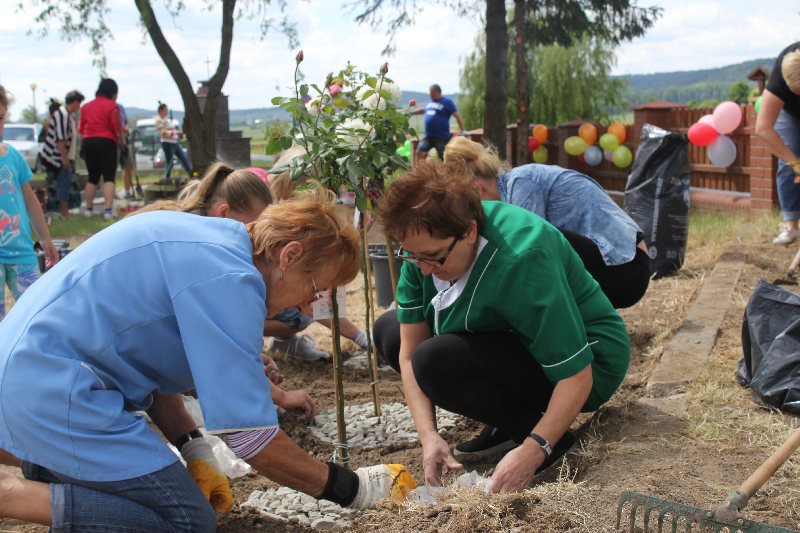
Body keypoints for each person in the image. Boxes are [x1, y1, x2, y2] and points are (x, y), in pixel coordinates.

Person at [0, 192, 416, 530]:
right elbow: (250, 438)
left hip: (34, 373)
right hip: (55, 389)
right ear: (289, 255)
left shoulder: (217, 245)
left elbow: (152, 366)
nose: (311, 306)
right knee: (186, 520)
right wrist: (351, 488)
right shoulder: (230, 281)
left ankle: (56, 486)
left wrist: (193, 447)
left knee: (138, 507)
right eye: (316, 288)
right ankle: (11, 495)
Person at [373, 161, 630, 493]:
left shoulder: (522, 256)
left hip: (590, 362)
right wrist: (429, 436)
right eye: (412, 256)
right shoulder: (423, 246)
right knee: (389, 331)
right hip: (514, 345)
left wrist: (534, 449)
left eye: (433, 257)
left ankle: (547, 440)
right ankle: (507, 421)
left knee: (435, 360)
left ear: (469, 232)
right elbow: (407, 354)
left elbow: (577, 376)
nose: (422, 269)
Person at [444, 136, 650, 309]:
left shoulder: (522, 183)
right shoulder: (515, 185)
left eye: (470, 204)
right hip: (613, 266)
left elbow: (530, 256)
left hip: (626, 269)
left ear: (478, 189)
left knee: (530, 241)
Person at [265, 146, 371, 360]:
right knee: (299, 312)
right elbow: (317, 304)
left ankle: (283, 340)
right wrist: (359, 337)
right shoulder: (274, 229)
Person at [0, 84, 59, 320]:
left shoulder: (12, 156)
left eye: (0, 118)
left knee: (38, 314)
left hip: (21, 252)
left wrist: (45, 238)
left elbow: (30, 200)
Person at [756, 43, 800, 244]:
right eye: (796, 91)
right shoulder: (780, 76)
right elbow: (763, 129)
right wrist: (796, 164)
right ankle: (791, 227)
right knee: (788, 155)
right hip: (789, 112)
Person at [78, 78, 126, 220]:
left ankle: (88, 209)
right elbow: (117, 128)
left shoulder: (86, 106)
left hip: (88, 142)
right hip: (106, 142)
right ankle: (108, 210)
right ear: (113, 92)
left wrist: (82, 146)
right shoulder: (112, 106)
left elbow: (81, 129)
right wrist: (123, 144)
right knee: (109, 177)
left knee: (92, 176)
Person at [40, 91, 84, 218]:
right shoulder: (62, 115)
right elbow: (60, 139)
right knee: (63, 184)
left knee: (60, 184)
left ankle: (60, 211)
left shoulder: (65, 115)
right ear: (75, 102)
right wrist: (64, 159)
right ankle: (63, 212)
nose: (79, 107)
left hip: (58, 157)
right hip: (56, 158)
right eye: (79, 103)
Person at [409, 84, 466, 160]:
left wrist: (463, 130)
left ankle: (446, 168)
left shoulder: (447, 102)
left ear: (437, 92)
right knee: (419, 153)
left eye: (431, 92)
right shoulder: (430, 102)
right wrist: (410, 113)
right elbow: (423, 110)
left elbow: (457, 116)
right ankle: (420, 168)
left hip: (442, 137)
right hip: (428, 136)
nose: (430, 94)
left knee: (444, 157)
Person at [155, 102, 193, 183]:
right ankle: (166, 177)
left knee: (183, 158)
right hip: (167, 143)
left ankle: (191, 173)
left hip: (174, 142)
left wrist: (177, 133)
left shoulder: (165, 120)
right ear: (161, 110)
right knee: (170, 162)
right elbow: (162, 133)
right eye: (165, 110)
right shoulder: (159, 120)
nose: (167, 111)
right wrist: (175, 132)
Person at [117, 102, 135, 199]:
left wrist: (126, 128)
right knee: (110, 169)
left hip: (124, 140)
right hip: (113, 141)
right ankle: (111, 193)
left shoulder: (120, 107)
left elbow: (126, 121)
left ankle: (127, 191)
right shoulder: (107, 107)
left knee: (129, 166)